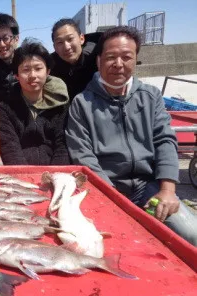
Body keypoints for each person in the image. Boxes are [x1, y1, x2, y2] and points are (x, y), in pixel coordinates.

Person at [65, 26, 197, 245]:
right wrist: (114, 199)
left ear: (135, 60)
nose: (118, 64)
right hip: (106, 190)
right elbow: (83, 156)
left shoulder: (150, 96)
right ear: (98, 61)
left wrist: (167, 190)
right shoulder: (82, 103)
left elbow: (165, 140)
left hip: (150, 186)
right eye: (110, 57)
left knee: (192, 234)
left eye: (126, 57)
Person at [0, 39, 70, 165]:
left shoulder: (61, 105)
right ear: (16, 75)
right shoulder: (5, 109)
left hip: (55, 175)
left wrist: (55, 176)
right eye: (26, 70)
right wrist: (26, 178)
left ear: (47, 72)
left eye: (38, 68)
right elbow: (10, 149)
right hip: (20, 177)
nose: (32, 75)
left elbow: (62, 146)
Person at [50, 18, 100, 100]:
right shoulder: (50, 68)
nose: (66, 47)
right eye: (60, 42)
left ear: (81, 39)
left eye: (70, 39)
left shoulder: (98, 59)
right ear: (54, 47)